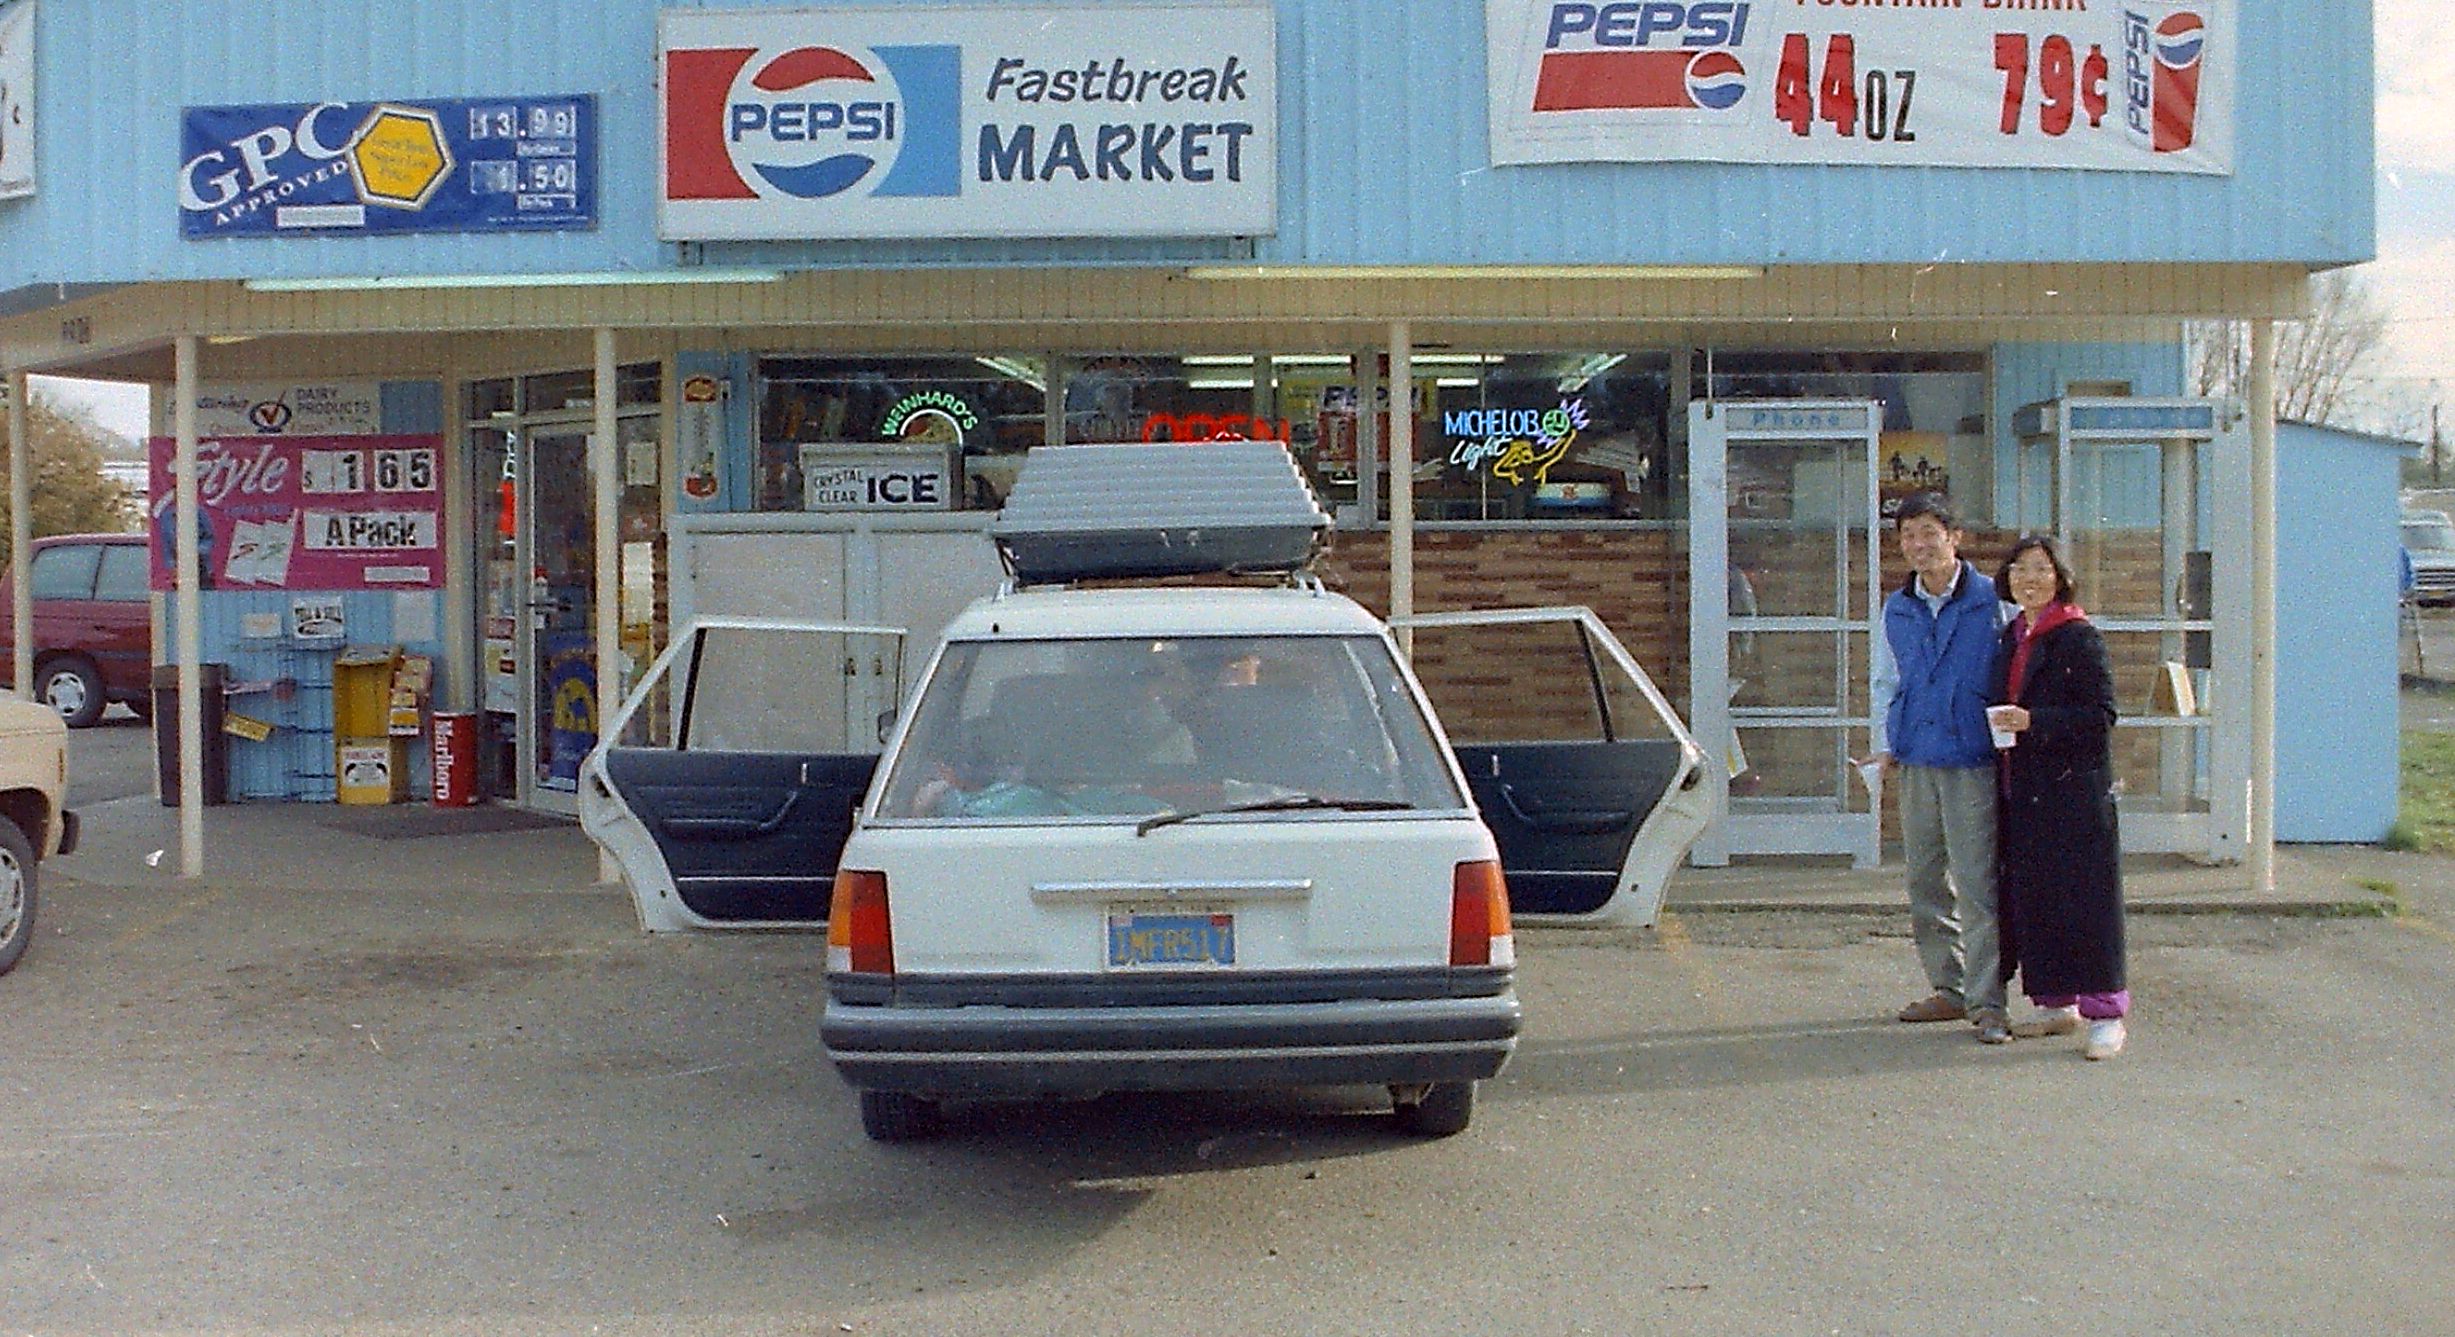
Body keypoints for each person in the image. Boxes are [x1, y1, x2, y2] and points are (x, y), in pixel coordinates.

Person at [1867, 493, 2011, 1044]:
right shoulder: (1897, 607)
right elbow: (1886, 681)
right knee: (1924, 879)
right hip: (1916, 759)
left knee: (1977, 883)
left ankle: (1988, 1001)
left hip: (1973, 760)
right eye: (1908, 535)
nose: (1918, 545)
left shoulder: (1994, 601)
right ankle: (1949, 988)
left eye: (1929, 532)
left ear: (1955, 538)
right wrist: (1884, 745)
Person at [1988, 535, 2130, 1060]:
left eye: (2041, 569)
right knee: (2038, 898)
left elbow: (2101, 716)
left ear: (2060, 578)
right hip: (2025, 791)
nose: (2030, 580)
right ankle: (2055, 1003)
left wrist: (2034, 721)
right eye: (2020, 570)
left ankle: (2106, 1015)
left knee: (2087, 902)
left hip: (2074, 792)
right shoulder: (2012, 636)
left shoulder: (2078, 637)